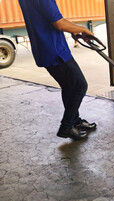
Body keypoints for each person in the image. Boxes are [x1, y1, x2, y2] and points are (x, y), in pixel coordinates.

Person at [18, 0, 96, 140]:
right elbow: (59, 23)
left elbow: (46, 21)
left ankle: (75, 121)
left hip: (44, 49)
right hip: (55, 51)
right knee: (80, 85)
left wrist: (72, 30)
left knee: (68, 86)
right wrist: (83, 29)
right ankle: (66, 127)